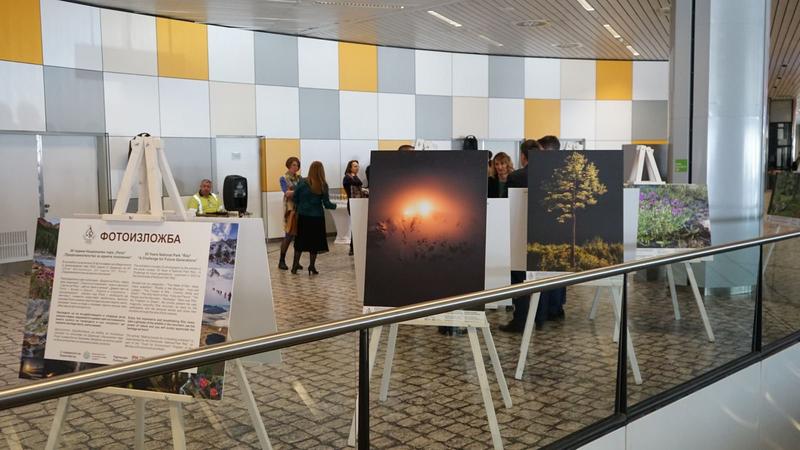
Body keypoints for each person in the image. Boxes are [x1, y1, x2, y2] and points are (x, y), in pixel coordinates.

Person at [291, 161, 337, 275]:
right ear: (321, 171)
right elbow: (326, 203)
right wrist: (335, 206)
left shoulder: (302, 182)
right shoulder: (323, 184)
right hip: (317, 218)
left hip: (303, 217)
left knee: (300, 241)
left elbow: (295, 198)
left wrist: (301, 206)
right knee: (314, 243)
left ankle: (295, 265)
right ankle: (311, 266)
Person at [278, 157, 302, 270]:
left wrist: (295, 191)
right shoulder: (283, 178)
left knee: (299, 235)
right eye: (293, 165)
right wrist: (298, 191)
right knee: (289, 235)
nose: (295, 167)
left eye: (297, 165)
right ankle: (281, 260)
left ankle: (296, 262)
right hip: (290, 209)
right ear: (288, 165)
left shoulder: (300, 178)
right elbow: (287, 193)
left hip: (300, 208)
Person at [342, 160, 365, 256]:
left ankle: (356, 246)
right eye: (355, 166)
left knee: (358, 226)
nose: (357, 168)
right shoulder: (347, 177)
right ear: (350, 167)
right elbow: (356, 184)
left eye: (358, 166)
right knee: (355, 226)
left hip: (358, 203)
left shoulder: (354, 176)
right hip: (352, 203)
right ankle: (352, 247)